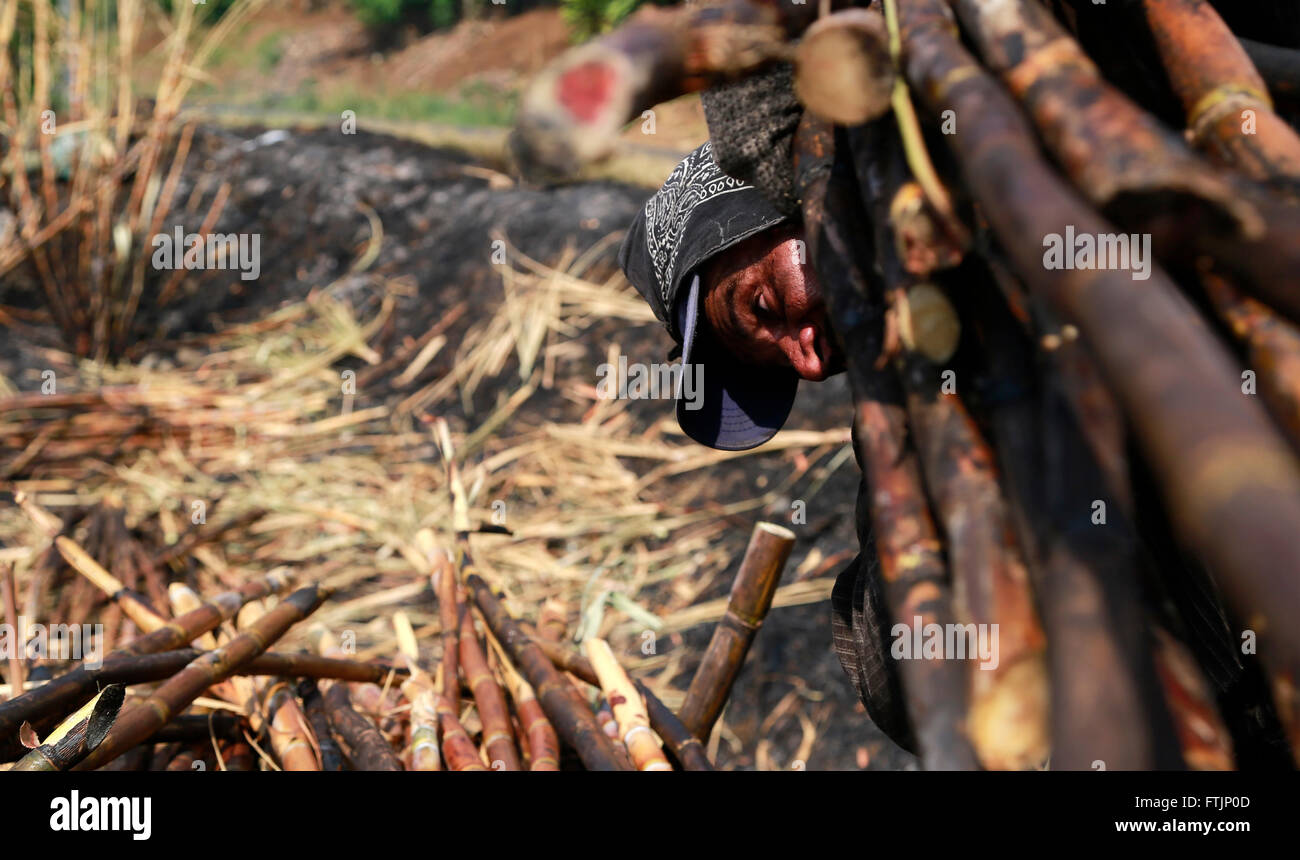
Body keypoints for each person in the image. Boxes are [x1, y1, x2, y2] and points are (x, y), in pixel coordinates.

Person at [618, 117, 916, 754]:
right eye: (782, 359)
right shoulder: (895, 407)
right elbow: (900, 687)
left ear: (788, 194)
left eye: (763, 307)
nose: (811, 364)